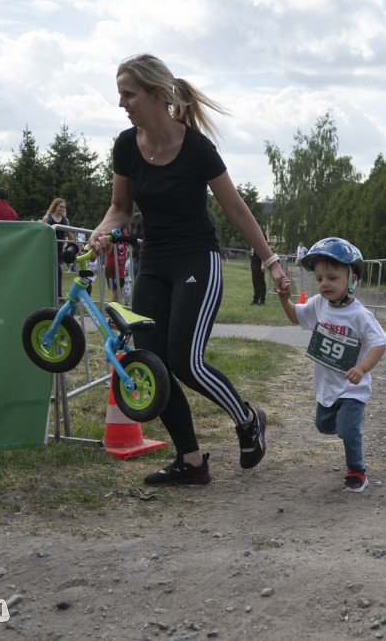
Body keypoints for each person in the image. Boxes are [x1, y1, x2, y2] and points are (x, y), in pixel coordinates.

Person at [89, 53, 285, 486]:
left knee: (185, 361)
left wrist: (270, 262)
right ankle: (191, 462)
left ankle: (249, 419)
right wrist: (102, 230)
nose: (121, 103)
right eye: (119, 94)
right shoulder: (125, 144)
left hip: (198, 258)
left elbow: (236, 208)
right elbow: (120, 208)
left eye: (128, 94)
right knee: (152, 363)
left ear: (156, 94)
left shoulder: (196, 148)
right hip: (153, 261)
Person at [277, 238, 386, 492]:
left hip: (352, 388)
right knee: (323, 425)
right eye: (319, 279)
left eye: (332, 278)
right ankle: (347, 428)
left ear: (352, 279)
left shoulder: (360, 315)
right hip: (327, 386)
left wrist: (362, 369)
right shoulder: (318, 304)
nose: (324, 284)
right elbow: (297, 316)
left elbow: (379, 344)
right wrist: (285, 300)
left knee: (348, 429)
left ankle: (356, 470)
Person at [42, 198, 74, 298]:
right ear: (55, 206)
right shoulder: (47, 218)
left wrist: (76, 245)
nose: (62, 209)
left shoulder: (65, 220)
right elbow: (42, 234)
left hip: (59, 250)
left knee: (56, 273)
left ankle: (56, 296)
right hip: (48, 249)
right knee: (58, 272)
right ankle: (57, 297)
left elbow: (69, 235)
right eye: (60, 206)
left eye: (64, 207)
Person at [103, 229, 129, 303]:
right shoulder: (111, 232)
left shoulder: (124, 233)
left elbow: (125, 247)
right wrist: (111, 241)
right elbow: (107, 253)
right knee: (117, 294)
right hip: (112, 268)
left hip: (121, 269)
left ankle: (114, 312)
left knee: (119, 293)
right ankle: (112, 312)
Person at [250, 217, 267, 305]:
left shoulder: (262, 234)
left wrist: (263, 264)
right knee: (255, 280)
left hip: (259, 260)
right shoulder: (253, 234)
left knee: (260, 280)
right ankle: (255, 299)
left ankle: (262, 299)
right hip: (254, 259)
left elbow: (265, 250)